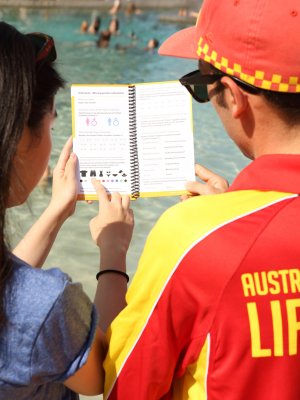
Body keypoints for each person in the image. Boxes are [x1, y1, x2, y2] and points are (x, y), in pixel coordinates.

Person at [103, 0, 300, 398]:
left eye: (200, 85)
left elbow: (124, 388)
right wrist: (240, 221)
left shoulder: (193, 240)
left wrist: (113, 255)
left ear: (233, 95)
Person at [0, 22, 133, 400]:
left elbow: (10, 283)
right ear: (20, 135)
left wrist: (57, 211)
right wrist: (114, 252)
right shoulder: (47, 305)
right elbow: (105, 373)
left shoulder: (20, 298)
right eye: (52, 122)